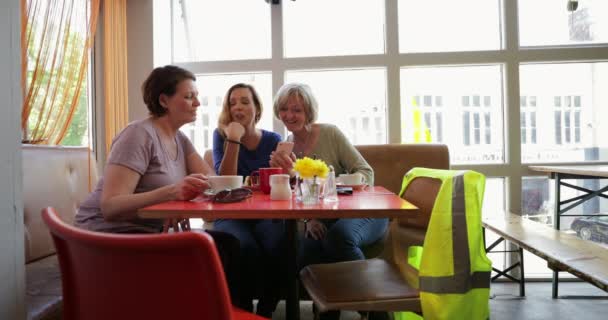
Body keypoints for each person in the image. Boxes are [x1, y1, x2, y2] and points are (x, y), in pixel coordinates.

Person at [74, 65, 248, 310]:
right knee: (212, 250)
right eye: (189, 96)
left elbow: (212, 182)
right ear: (164, 100)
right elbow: (110, 206)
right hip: (108, 238)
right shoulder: (138, 135)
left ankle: (225, 314)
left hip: (148, 232)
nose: (197, 103)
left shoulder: (180, 139)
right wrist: (172, 194)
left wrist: (185, 198)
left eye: (196, 96)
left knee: (229, 244)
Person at [270, 83, 388, 320]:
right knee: (309, 247)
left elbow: (366, 172)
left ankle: (377, 312)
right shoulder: (285, 147)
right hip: (327, 217)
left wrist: (335, 183)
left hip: (363, 210)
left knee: (339, 237)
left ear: (308, 113)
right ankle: (326, 314)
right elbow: (296, 196)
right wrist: (310, 218)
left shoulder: (330, 134)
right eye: (284, 109)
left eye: (297, 110)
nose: (289, 116)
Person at [211, 83, 286, 317]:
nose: (238, 108)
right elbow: (226, 180)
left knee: (279, 243)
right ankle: (241, 310)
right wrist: (234, 139)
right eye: (232, 103)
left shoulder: (273, 139)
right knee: (242, 246)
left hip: (266, 213)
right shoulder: (220, 136)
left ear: (256, 108)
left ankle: (266, 309)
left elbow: (284, 181)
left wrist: (286, 167)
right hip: (231, 212)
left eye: (245, 101)